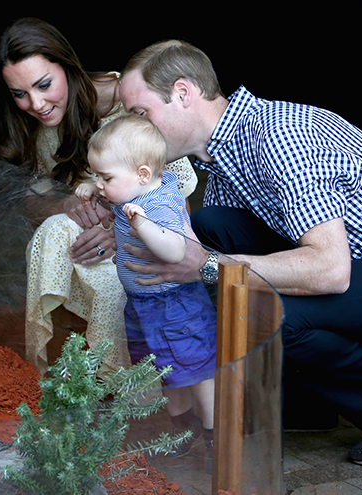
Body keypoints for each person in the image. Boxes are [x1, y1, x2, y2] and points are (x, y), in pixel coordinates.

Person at [115, 39, 362, 466]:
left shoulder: (277, 134)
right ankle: (309, 402)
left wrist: (207, 266)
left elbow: (330, 271)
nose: (137, 129)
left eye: (140, 114)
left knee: (262, 310)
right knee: (212, 228)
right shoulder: (221, 158)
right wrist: (124, 224)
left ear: (182, 93)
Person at [0, 18, 198, 375]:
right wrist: (64, 204)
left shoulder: (128, 105)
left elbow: (180, 206)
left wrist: (121, 232)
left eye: (44, 85)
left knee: (113, 281)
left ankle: (128, 377)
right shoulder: (40, 121)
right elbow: (31, 196)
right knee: (52, 232)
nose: (36, 103)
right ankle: (58, 364)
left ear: (67, 67)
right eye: (20, 94)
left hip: (150, 241)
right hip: (88, 241)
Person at [76, 114, 216, 470]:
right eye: (97, 175)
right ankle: (181, 431)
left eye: (105, 177)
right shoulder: (141, 189)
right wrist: (100, 192)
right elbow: (122, 195)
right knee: (168, 371)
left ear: (141, 174)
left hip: (174, 305)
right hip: (144, 304)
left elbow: (173, 251)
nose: (100, 183)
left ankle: (216, 437)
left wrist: (142, 223)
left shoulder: (155, 205)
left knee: (196, 370)